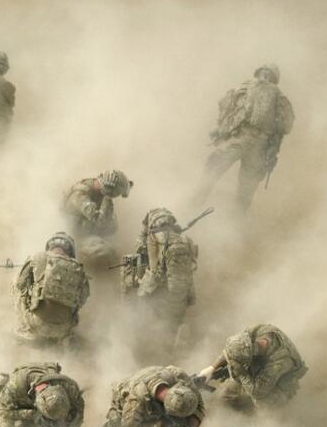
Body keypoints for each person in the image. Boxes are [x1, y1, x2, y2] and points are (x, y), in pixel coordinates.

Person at [197, 63, 294, 212]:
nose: (265, 77)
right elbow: (226, 108)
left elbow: (285, 126)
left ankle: (232, 225)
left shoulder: (276, 97)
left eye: (269, 75)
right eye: (264, 73)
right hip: (244, 138)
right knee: (214, 170)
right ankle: (194, 205)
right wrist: (221, 129)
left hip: (255, 144)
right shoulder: (246, 89)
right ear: (259, 73)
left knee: (243, 189)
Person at [121, 208, 198, 355]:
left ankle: (144, 348)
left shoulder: (154, 240)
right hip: (180, 298)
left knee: (129, 263)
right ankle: (170, 348)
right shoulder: (186, 240)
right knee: (170, 328)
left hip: (157, 295)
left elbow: (140, 249)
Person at [198, 323, 308, 411]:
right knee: (225, 395)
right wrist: (212, 368)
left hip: (280, 384)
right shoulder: (254, 334)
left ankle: (268, 423)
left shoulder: (280, 361)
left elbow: (258, 392)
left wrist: (241, 373)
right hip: (259, 368)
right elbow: (233, 349)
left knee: (263, 404)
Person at [12, 232, 90, 347]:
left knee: (15, 282)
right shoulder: (78, 268)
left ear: (50, 245)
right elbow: (83, 299)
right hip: (64, 328)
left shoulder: (38, 257)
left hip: (36, 323)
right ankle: (65, 337)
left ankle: (27, 330)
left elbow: (20, 284)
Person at [61, 170, 133, 267]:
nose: (115, 196)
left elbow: (112, 227)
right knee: (104, 252)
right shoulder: (80, 194)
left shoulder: (98, 194)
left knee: (121, 249)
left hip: (89, 235)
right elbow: (100, 221)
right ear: (110, 189)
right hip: (75, 240)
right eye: (116, 193)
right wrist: (107, 197)